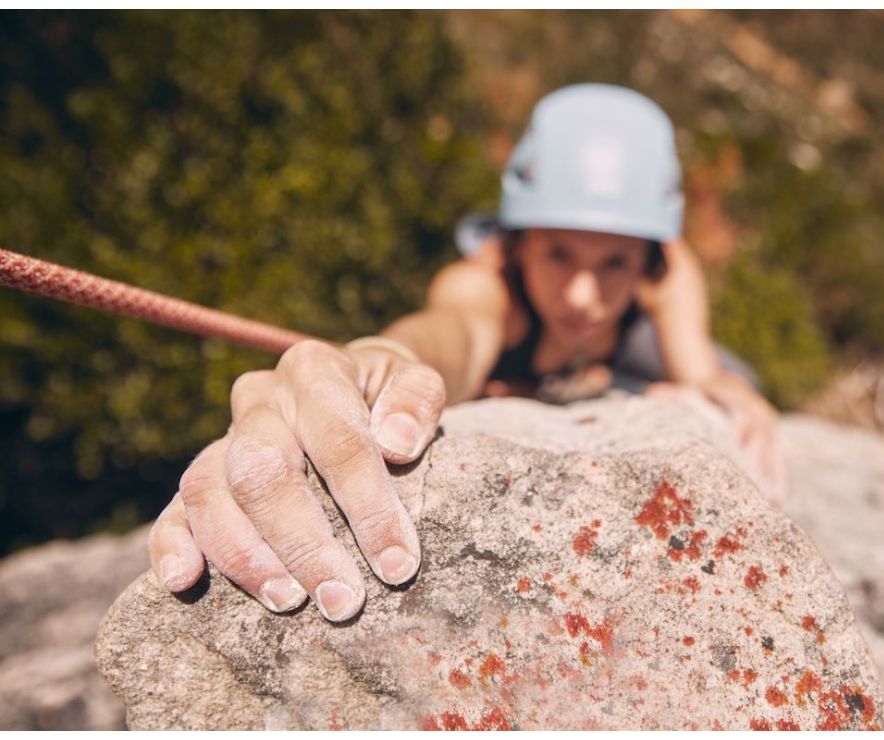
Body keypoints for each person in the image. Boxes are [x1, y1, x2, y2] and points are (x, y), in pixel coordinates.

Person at [146, 83, 787, 623]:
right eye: (559, 253)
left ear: (648, 260)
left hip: (623, 358)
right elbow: (447, 331)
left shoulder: (668, 273)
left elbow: (700, 374)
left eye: (615, 262)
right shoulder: (486, 288)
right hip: (541, 360)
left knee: (740, 375)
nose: (583, 294)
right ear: (518, 244)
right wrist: (375, 362)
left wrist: (720, 389)